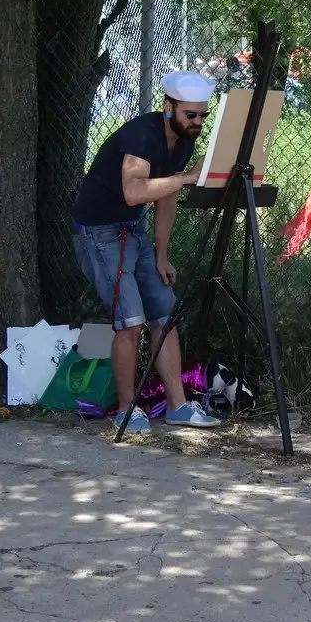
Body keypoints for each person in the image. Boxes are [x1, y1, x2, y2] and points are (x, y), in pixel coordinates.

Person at [71, 70, 221, 433]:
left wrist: (161, 255)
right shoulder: (142, 136)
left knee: (165, 315)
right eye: (190, 114)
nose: (198, 122)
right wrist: (187, 177)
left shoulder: (182, 142)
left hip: (132, 232)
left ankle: (178, 407)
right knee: (131, 323)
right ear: (168, 107)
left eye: (203, 115)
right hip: (100, 233)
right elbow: (134, 192)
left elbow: (165, 197)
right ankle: (126, 410)